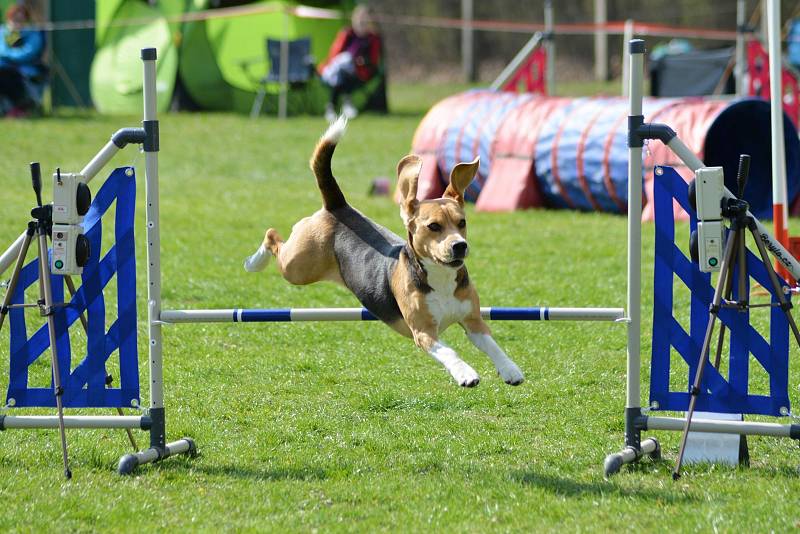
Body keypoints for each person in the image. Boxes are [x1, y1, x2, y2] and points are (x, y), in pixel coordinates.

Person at [319, 5, 382, 122]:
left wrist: (360, 61)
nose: (362, 22)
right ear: (354, 19)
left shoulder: (372, 38)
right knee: (342, 68)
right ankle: (347, 103)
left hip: (360, 71)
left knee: (341, 71)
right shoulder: (347, 33)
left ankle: (331, 108)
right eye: (360, 19)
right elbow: (334, 54)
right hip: (340, 68)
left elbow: (373, 61)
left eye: (365, 20)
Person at [0, 4, 45, 117]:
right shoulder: (9, 34)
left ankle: (20, 107)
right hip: (5, 69)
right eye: (14, 19)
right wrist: (10, 33)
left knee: (7, 75)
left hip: (25, 71)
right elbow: (2, 48)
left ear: (26, 20)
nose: (17, 23)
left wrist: (9, 55)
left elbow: (26, 54)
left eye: (20, 20)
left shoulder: (32, 34)